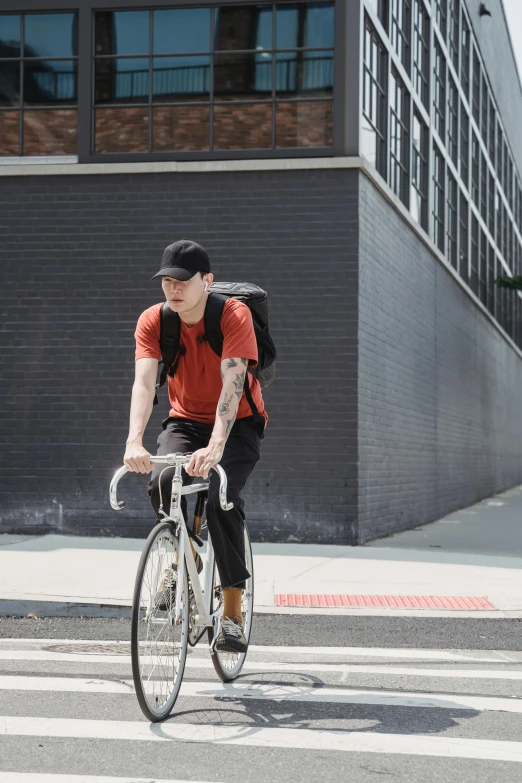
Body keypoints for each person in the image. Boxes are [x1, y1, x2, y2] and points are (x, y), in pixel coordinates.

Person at [123, 239, 267, 653]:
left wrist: (218, 444)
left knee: (222, 495)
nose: (174, 288)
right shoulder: (154, 321)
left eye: (183, 281)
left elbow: (233, 383)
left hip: (238, 423)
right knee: (160, 482)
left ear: (208, 281)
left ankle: (234, 612)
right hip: (185, 419)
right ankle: (187, 555)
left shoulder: (232, 315)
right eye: (167, 281)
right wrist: (134, 440)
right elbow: (145, 382)